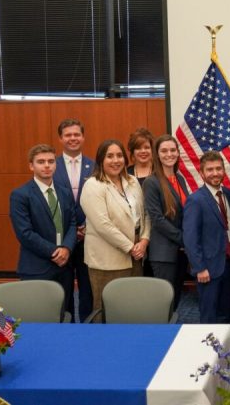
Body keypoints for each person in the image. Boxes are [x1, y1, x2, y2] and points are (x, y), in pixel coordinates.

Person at [80, 140, 150, 321]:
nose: (115, 160)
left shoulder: (132, 181)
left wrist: (144, 240)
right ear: (100, 159)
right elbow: (102, 224)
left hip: (136, 254)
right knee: (106, 310)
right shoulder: (93, 185)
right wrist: (130, 247)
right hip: (108, 259)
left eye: (119, 155)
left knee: (132, 305)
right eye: (109, 156)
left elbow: (145, 214)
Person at [9, 144, 76, 303]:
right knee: (39, 314)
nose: (47, 165)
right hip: (37, 266)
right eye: (41, 162)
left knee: (65, 313)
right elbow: (25, 233)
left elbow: (72, 223)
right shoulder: (20, 195)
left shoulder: (65, 192)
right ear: (31, 166)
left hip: (65, 266)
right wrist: (54, 252)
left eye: (51, 161)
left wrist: (66, 248)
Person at [183, 151, 230, 324]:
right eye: (210, 170)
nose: (215, 173)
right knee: (209, 315)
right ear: (202, 173)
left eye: (218, 169)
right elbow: (191, 238)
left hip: (228, 263)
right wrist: (199, 268)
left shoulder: (228, 194)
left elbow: (229, 226)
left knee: (225, 312)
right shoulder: (196, 200)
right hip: (208, 268)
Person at [53, 118, 94, 322]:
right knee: (64, 288)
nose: (73, 138)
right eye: (68, 135)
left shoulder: (94, 165)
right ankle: (66, 325)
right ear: (61, 138)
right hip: (62, 240)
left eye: (77, 134)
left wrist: (86, 227)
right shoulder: (52, 165)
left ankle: (87, 326)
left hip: (91, 238)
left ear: (83, 137)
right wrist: (72, 231)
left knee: (88, 288)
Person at [143, 134, 190, 310]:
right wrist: (183, 238)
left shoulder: (180, 179)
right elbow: (157, 219)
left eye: (172, 150)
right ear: (157, 154)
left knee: (176, 300)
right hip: (163, 254)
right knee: (163, 304)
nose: (169, 154)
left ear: (178, 153)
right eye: (164, 151)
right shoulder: (151, 182)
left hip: (180, 252)